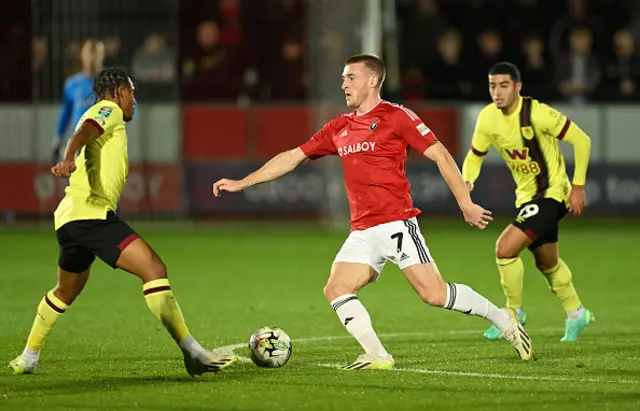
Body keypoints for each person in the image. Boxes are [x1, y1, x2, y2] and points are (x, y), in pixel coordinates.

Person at [213, 54, 533, 370]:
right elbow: (293, 156)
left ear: (373, 80)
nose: (344, 84)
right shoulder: (340, 127)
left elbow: (441, 155)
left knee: (434, 294)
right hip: (362, 230)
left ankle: (503, 319)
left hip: (396, 223)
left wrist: (465, 202)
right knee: (336, 288)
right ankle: (378, 356)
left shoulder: (397, 116)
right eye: (342, 78)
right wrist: (245, 182)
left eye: (350, 78)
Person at [9, 68, 237, 376]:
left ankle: (28, 356)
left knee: (65, 291)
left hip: (71, 219)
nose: (134, 101)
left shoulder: (107, 116)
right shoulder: (109, 109)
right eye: (132, 93)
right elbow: (85, 131)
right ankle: (193, 353)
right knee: (154, 269)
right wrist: (69, 157)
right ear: (118, 92)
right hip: (91, 216)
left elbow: (86, 133)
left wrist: (73, 156)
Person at [462, 62, 595, 342]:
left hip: (552, 194)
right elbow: (475, 155)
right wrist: (467, 181)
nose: (497, 92)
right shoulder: (487, 118)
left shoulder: (537, 113)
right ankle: (576, 312)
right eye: (492, 86)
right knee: (547, 262)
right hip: (526, 199)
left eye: (504, 85)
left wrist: (578, 187)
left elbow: (582, 141)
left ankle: (513, 313)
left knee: (505, 248)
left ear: (518, 87)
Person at [52, 39, 105, 163]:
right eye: (89, 52)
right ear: (82, 55)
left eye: (95, 53)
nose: (91, 57)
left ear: (101, 56)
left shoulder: (109, 82)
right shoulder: (73, 85)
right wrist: (57, 140)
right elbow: (66, 114)